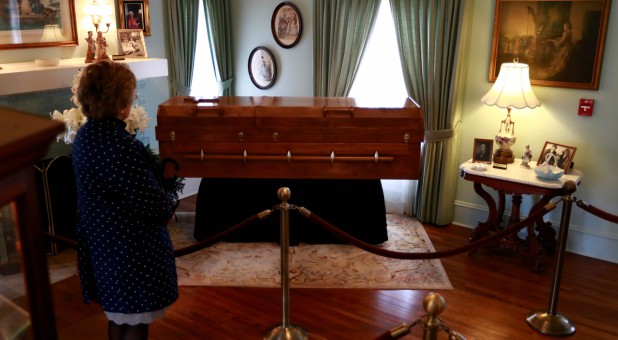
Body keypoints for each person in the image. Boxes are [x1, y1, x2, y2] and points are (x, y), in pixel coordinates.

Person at [72, 61, 178, 340]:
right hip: (129, 250)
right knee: (135, 320)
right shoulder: (121, 145)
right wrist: (167, 205)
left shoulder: (84, 137)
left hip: (101, 245)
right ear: (119, 101)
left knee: (119, 316)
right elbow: (150, 203)